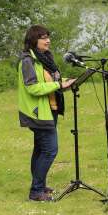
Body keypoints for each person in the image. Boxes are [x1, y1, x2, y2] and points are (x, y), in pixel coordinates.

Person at [18, 25, 75, 202]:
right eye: (43, 37)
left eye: (48, 37)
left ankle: (40, 186)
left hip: (51, 108)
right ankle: (36, 191)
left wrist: (65, 82)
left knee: (40, 149)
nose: (48, 40)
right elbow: (33, 87)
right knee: (50, 150)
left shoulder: (45, 58)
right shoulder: (28, 61)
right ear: (34, 40)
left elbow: (52, 81)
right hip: (38, 112)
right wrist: (58, 85)